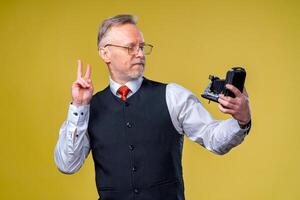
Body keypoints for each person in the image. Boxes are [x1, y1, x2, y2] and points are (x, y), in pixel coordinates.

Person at [54, 14, 251, 200]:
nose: (139, 53)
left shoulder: (173, 96)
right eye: (130, 47)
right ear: (105, 53)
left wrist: (241, 121)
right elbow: (67, 164)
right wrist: (79, 106)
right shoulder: (87, 108)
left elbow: (213, 138)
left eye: (141, 46)